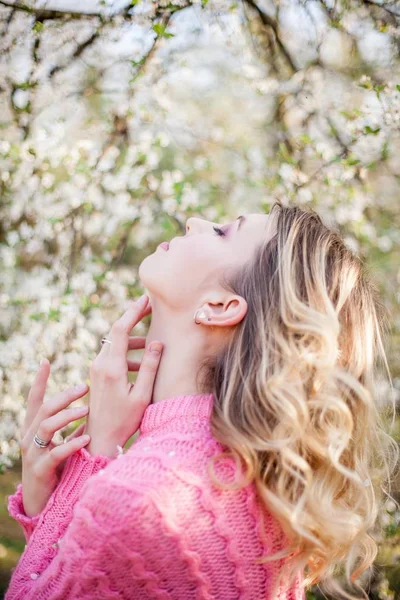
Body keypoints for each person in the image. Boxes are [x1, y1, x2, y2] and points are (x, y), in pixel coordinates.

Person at [6, 200, 398, 599]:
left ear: (220, 307)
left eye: (223, 232)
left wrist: (90, 465)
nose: (194, 221)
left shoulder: (142, 499)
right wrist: (45, 502)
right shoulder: (253, 478)